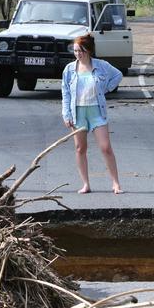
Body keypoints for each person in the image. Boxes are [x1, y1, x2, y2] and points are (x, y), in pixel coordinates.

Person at [61, 34, 124, 194]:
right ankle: (85, 184)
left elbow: (118, 75)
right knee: (80, 148)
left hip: (97, 111)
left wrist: (106, 89)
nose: (78, 54)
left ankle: (116, 183)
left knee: (105, 147)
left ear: (88, 50)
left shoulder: (101, 65)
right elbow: (66, 93)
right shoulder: (69, 69)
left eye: (81, 51)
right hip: (78, 113)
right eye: (75, 51)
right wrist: (66, 114)